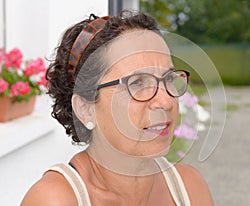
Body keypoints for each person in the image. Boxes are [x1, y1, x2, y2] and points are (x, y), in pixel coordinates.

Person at [21, 10, 214, 206]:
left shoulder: (190, 187)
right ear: (85, 108)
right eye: (138, 83)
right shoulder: (55, 200)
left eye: (169, 79)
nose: (165, 102)